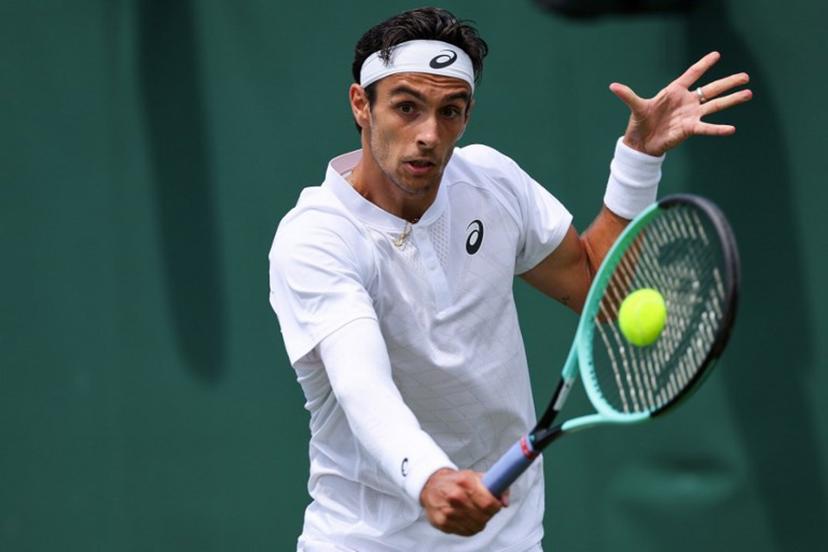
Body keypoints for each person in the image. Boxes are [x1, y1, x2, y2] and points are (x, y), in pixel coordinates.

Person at [268, 7, 751, 551]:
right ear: (361, 104)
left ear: (468, 115)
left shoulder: (491, 182)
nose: (429, 134)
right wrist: (430, 477)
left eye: (450, 111)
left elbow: (600, 290)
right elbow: (363, 387)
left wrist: (638, 159)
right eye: (407, 107)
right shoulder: (317, 237)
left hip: (506, 541)